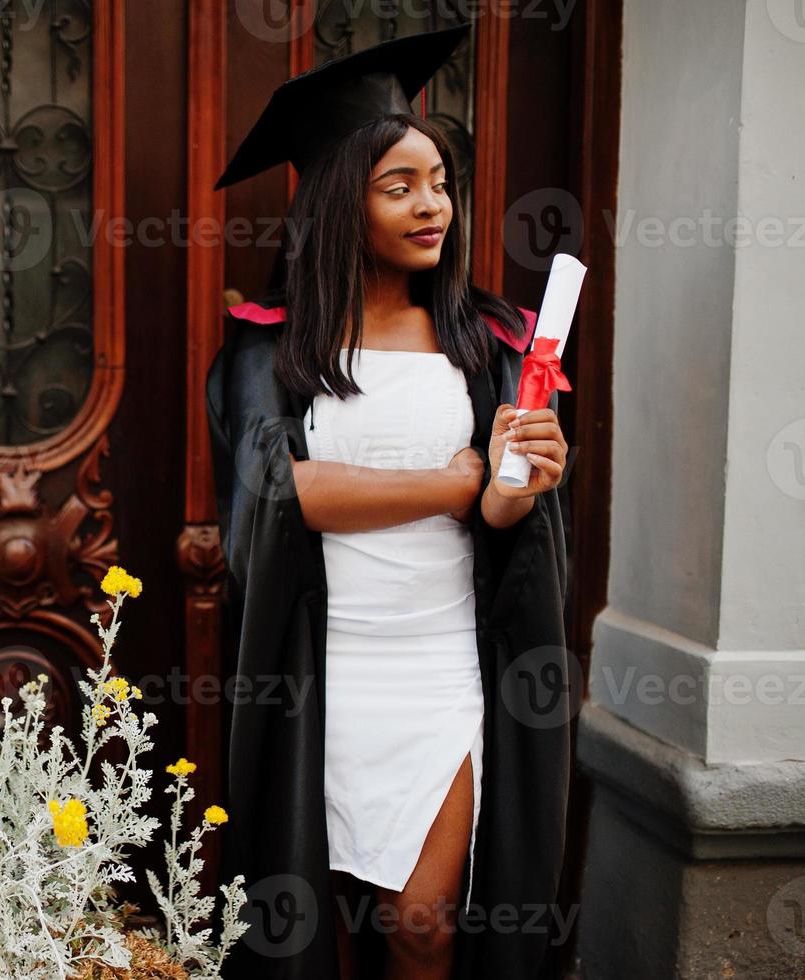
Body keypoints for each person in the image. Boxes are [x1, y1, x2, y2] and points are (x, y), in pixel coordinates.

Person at [205, 24, 574, 980]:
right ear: (339, 202)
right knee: (311, 924)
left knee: (421, 923)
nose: (433, 205)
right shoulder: (272, 350)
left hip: (437, 664)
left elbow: (500, 517)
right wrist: (455, 479)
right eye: (399, 185)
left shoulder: (485, 339)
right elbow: (280, 494)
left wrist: (516, 481)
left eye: (440, 180)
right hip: (319, 667)